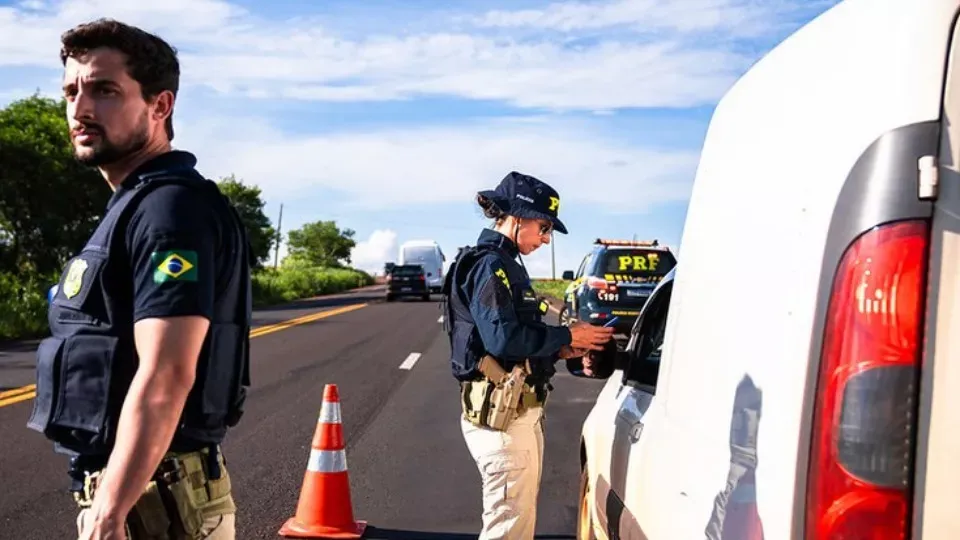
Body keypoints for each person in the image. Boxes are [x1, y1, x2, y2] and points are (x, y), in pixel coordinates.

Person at [25, 19, 251, 540]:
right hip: (138, 500)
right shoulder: (136, 204)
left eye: (104, 91)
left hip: (153, 508)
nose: (80, 109)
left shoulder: (169, 209)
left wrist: (108, 515)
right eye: (72, 91)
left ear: (160, 106)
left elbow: (168, 372)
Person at [441, 171, 615, 539]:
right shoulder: (490, 264)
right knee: (508, 528)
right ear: (517, 218)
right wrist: (568, 332)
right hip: (503, 421)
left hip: (519, 413)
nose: (546, 238)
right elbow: (503, 339)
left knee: (517, 522)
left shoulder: (506, 265)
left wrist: (561, 348)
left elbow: (515, 344)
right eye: (543, 227)